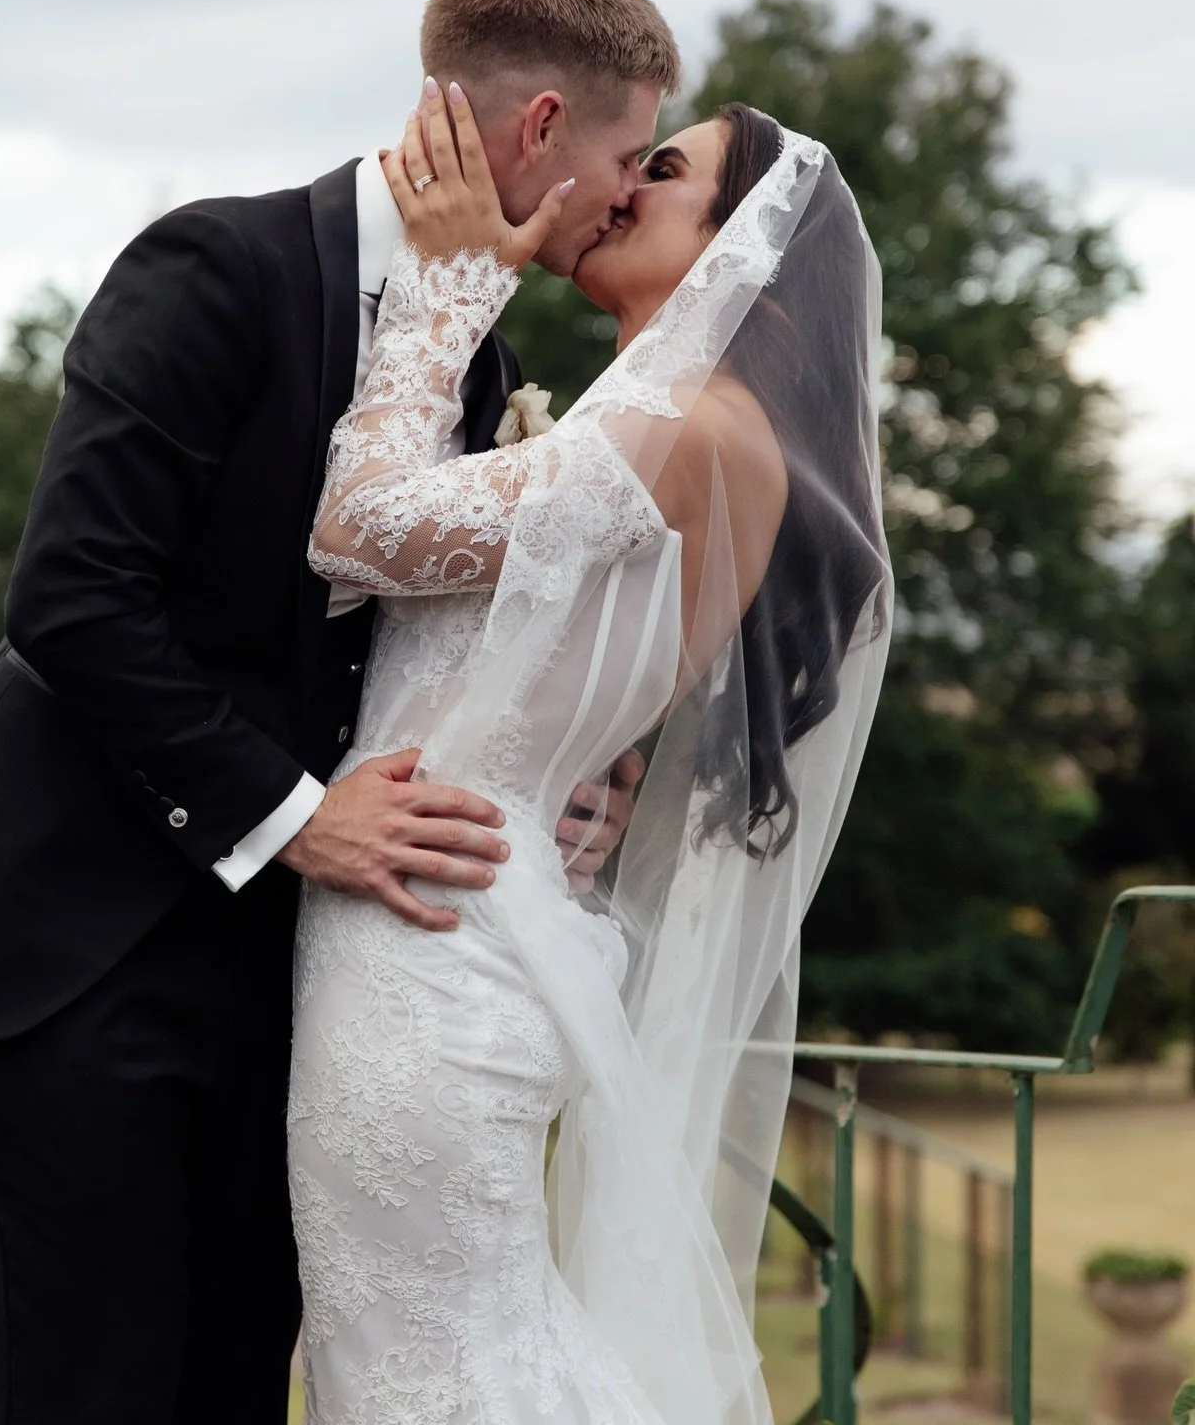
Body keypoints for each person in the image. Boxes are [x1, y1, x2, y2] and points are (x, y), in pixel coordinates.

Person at [0, 0, 681, 1424]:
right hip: (86, 937)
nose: (630, 197)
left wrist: (566, 783)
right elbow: (73, 595)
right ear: (542, 130)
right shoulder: (217, 264)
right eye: (630, 157)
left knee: (237, 1383)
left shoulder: (479, 368)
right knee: (98, 1396)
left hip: (305, 976)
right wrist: (298, 817)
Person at [291, 84, 893, 1422]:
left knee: (435, 1372)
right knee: (429, 1358)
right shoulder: (674, 424)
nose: (619, 188)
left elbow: (360, 526)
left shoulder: (688, 425)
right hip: (455, 917)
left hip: (426, 959)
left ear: (750, 251)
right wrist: (589, 766)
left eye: (661, 171)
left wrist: (444, 290)